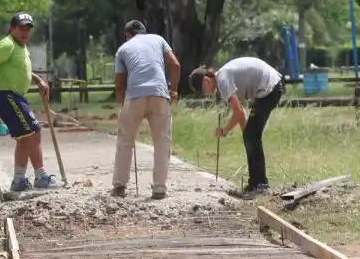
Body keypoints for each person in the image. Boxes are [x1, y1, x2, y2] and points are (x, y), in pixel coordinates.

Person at [0, 12, 59, 194]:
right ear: (12, 29)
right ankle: (40, 177)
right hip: (6, 96)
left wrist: (38, 81)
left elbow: (21, 70)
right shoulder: (6, 44)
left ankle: (19, 181)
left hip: (14, 97)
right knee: (34, 131)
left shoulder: (20, 47)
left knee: (24, 137)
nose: (25, 33)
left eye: (28, 29)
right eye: (21, 29)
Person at [189, 57, 283, 197]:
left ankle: (260, 185)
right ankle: (254, 184)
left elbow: (238, 112)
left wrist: (225, 130)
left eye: (203, 91)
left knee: (252, 136)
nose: (206, 95)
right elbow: (241, 114)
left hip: (270, 88)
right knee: (251, 136)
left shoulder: (222, 80)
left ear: (206, 80)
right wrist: (248, 137)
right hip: (269, 86)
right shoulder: (223, 77)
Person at [111, 20, 181, 199]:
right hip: (159, 93)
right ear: (144, 32)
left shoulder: (124, 48)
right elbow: (175, 65)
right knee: (162, 142)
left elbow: (119, 83)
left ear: (127, 34)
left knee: (125, 141)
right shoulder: (158, 39)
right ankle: (159, 189)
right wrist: (173, 89)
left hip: (135, 96)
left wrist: (123, 105)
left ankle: (119, 187)